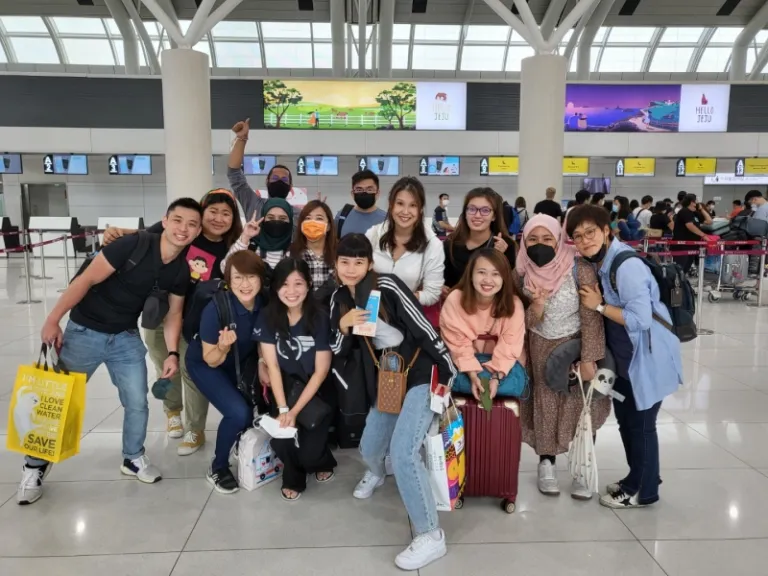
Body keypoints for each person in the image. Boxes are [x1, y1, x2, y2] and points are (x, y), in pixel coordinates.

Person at [19, 198, 203, 505]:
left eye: (192, 224)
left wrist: (172, 353)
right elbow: (86, 279)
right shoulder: (132, 245)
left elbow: (173, 314)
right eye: (178, 220)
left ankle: (133, 457)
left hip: (125, 337)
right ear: (165, 221)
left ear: (197, 231)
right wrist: (53, 319)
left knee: (137, 402)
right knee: (57, 402)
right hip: (84, 332)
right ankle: (34, 466)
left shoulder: (181, 271)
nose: (183, 228)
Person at [330, 233, 457, 571]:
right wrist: (343, 326)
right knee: (370, 448)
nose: (351, 268)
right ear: (335, 264)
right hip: (387, 379)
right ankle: (378, 472)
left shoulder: (387, 285)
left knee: (403, 452)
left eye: (359, 262)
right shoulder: (339, 298)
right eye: (344, 262)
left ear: (370, 264)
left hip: (420, 373)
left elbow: (423, 326)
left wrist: (447, 368)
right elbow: (336, 349)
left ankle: (431, 535)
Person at [102, 189, 243, 455]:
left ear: (233, 219)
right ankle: (172, 412)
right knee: (165, 364)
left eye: (226, 213)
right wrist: (117, 232)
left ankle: (195, 428)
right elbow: (145, 235)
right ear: (202, 212)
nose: (218, 218)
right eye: (212, 211)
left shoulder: (234, 246)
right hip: (161, 313)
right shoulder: (185, 231)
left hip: (199, 320)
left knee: (194, 372)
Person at [566, 205, 683, 509]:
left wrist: (598, 306)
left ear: (606, 230)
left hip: (647, 359)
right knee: (628, 422)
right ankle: (643, 477)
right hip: (627, 361)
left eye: (590, 232)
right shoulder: (603, 263)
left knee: (640, 425)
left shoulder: (625, 265)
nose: (585, 240)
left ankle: (641, 490)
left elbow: (640, 319)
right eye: (577, 236)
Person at [514, 214, 610, 500]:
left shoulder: (579, 269)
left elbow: (591, 317)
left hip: (575, 348)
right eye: (532, 239)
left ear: (558, 239)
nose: (540, 245)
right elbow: (519, 320)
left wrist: (589, 357)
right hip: (539, 347)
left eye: (547, 239)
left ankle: (581, 468)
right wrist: (537, 306)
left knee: (581, 405)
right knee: (545, 406)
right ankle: (546, 463)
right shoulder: (521, 273)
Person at [254, 258, 337, 501]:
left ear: (309, 285)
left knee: (310, 454)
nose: (291, 291)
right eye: (284, 284)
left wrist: (295, 411)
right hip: (284, 388)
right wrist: (283, 410)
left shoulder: (320, 317)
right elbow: (272, 366)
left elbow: (321, 371)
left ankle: (323, 460)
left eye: (298, 283)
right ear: (275, 287)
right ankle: (293, 478)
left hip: (315, 391)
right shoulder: (268, 316)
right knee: (283, 441)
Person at [184, 250, 266, 494]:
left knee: (251, 408)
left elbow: (263, 337)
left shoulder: (264, 302)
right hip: (206, 362)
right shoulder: (216, 309)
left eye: (251, 277)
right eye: (238, 277)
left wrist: (263, 362)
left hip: (239, 361)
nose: (245, 284)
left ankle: (237, 444)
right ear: (229, 280)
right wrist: (223, 346)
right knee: (238, 412)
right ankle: (218, 467)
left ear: (261, 279)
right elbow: (211, 359)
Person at [440, 248, 526, 401]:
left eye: (496, 274)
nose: (488, 280)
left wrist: (495, 378)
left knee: (513, 386)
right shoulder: (455, 299)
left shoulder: (514, 304)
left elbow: (510, 345)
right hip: (463, 364)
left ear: (504, 278)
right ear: (470, 274)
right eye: (481, 272)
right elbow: (457, 344)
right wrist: (473, 375)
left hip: (502, 368)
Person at [366, 177, 444, 308]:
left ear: (420, 209)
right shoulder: (373, 235)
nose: (405, 212)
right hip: (371, 311)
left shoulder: (432, 245)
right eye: (400, 203)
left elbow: (432, 294)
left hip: (405, 313)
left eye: (413, 205)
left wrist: (401, 299)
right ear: (391, 205)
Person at [443, 187, 517, 291]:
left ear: (494, 216)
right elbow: (443, 280)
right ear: (465, 213)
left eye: (485, 210)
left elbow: (506, 287)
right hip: (454, 300)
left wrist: (499, 257)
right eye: (472, 209)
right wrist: (441, 288)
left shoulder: (505, 246)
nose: (477, 215)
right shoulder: (450, 244)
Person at [227, 118, 301, 220]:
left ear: (290, 186)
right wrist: (241, 138)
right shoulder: (253, 204)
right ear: (267, 181)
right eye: (275, 178)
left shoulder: (299, 215)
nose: (279, 181)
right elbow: (234, 174)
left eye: (284, 179)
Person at [223, 197, 294, 272]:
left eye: (282, 218)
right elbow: (225, 269)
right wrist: (245, 236)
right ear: (263, 219)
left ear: (290, 221)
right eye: (271, 217)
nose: (276, 221)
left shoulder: (296, 251)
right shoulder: (251, 246)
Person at [290, 200, 337, 293]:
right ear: (301, 224)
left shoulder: (339, 255)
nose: (313, 222)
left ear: (328, 226)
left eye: (319, 218)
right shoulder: (291, 254)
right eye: (307, 218)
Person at [335, 169, 387, 237]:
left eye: (369, 189)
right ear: (353, 194)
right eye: (359, 189)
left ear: (377, 193)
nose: (364, 193)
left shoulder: (386, 220)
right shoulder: (342, 216)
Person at [673, 194, 713, 275]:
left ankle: (682, 281)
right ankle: (677, 282)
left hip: (692, 245)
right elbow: (690, 225)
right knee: (680, 268)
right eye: (696, 200)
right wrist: (704, 235)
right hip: (682, 245)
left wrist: (701, 209)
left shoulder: (694, 213)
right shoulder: (684, 211)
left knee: (686, 268)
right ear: (692, 202)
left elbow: (709, 221)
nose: (698, 202)